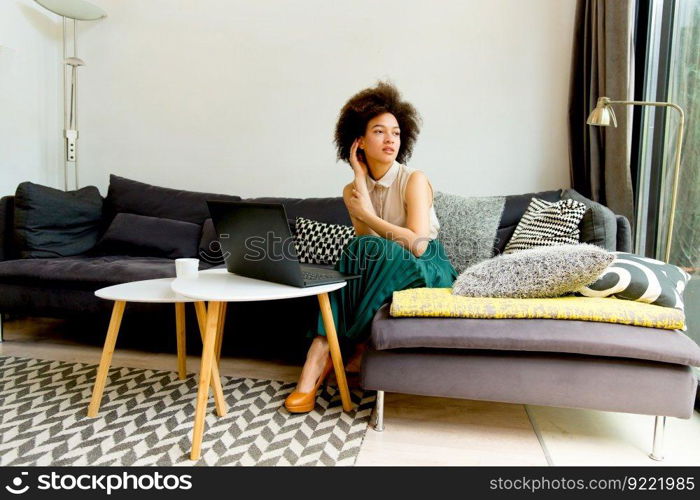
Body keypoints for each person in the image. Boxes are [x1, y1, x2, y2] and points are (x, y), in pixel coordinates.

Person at [284, 81, 457, 413]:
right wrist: (360, 185)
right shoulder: (351, 190)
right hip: (384, 266)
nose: (390, 139)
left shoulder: (414, 180)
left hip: (427, 266)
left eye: (395, 132)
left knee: (375, 251)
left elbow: (418, 244)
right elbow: (366, 244)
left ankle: (331, 354)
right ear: (359, 142)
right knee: (357, 251)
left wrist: (366, 215)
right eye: (379, 132)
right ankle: (324, 358)